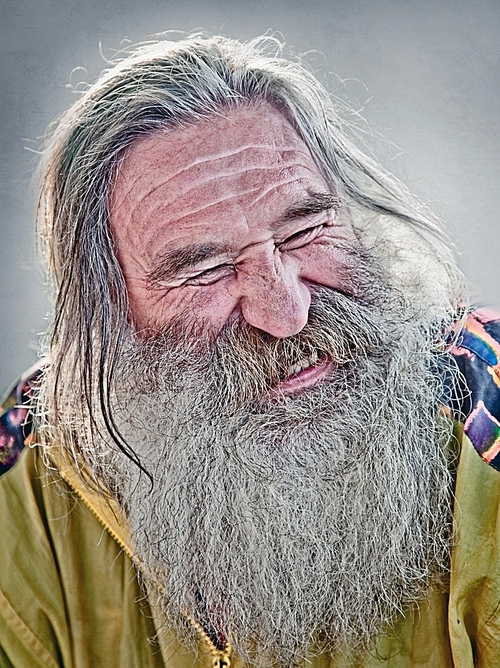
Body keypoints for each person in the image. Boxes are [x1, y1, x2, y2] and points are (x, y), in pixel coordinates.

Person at [0, 34, 499, 668]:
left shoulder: (492, 418)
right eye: (205, 270)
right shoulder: (29, 492)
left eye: (304, 228)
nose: (287, 314)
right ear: (106, 319)